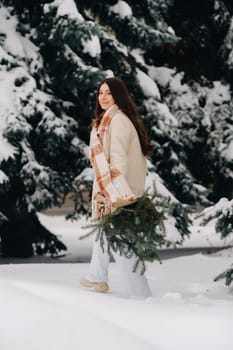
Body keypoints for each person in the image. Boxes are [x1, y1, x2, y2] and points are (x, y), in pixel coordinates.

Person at [80, 77, 153, 298]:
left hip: (119, 192)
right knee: (103, 233)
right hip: (112, 190)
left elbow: (119, 159)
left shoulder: (118, 121)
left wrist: (112, 192)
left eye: (108, 93)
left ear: (118, 96)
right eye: (100, 92)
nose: (102, 97)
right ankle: (97, 277)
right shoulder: (106, 121)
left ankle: (141, 295)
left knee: (124, 245)